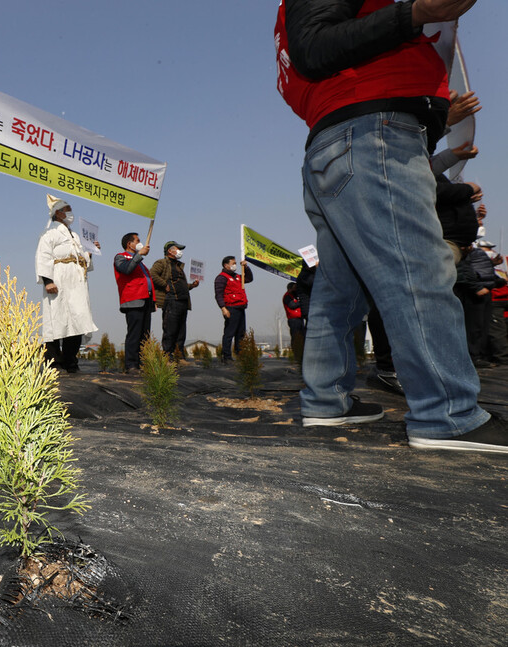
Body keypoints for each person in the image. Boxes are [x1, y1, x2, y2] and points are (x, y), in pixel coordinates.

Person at [276, 0, 508, 452]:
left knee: (339, 289)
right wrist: (415, 13)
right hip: (369, 131)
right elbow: (316, 48)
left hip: (346, 137)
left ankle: (326, 400)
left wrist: (435, 118)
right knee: (416, 268)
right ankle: (447, 413)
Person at [34, 195, 99, 372]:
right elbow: (43, 256)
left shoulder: (75, 235)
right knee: (56, 320)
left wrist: (90, 253)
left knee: (77, 320)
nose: (71, 212)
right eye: (68, 209)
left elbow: (80, 258)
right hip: (58, 279)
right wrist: (48, 281)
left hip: (76, 282)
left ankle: (71, 361)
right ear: (58, 213)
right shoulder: (49, 233)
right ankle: (54, 363)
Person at [151, 241, 199, 360]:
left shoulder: (178, 266)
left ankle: (180, 356)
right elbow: (152, 274)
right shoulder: (161, 263)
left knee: (181, 331)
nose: (180, 251)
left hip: (183, 301)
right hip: (171, 301)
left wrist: (192, 285)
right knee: (170, 330)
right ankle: (167, 356)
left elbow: (180, 285)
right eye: (177, 249)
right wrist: (164, 284)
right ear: (169, 251)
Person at [113, 233, 153, 373]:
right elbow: (126, 269)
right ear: (129, 244)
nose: (140, 243)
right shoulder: (121, 257)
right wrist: (139, 255)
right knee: (134, 334)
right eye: (138, 241)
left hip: (145, 300)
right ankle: (131, 365)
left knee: (145, 335)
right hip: (133, 300)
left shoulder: (140, 262)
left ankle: (143, 363)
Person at [213, 256, 253, 363]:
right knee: (229, 333)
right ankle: (226, 356)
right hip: (231, 308)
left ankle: (240, 355)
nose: (235, 265)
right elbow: (218, 295)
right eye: (233, 263)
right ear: (226, 265)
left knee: (241, 333)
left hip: (241, 308)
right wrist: (223, 308)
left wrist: (246, 268)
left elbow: (249, 279)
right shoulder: (221, 278)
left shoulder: (238, 277)